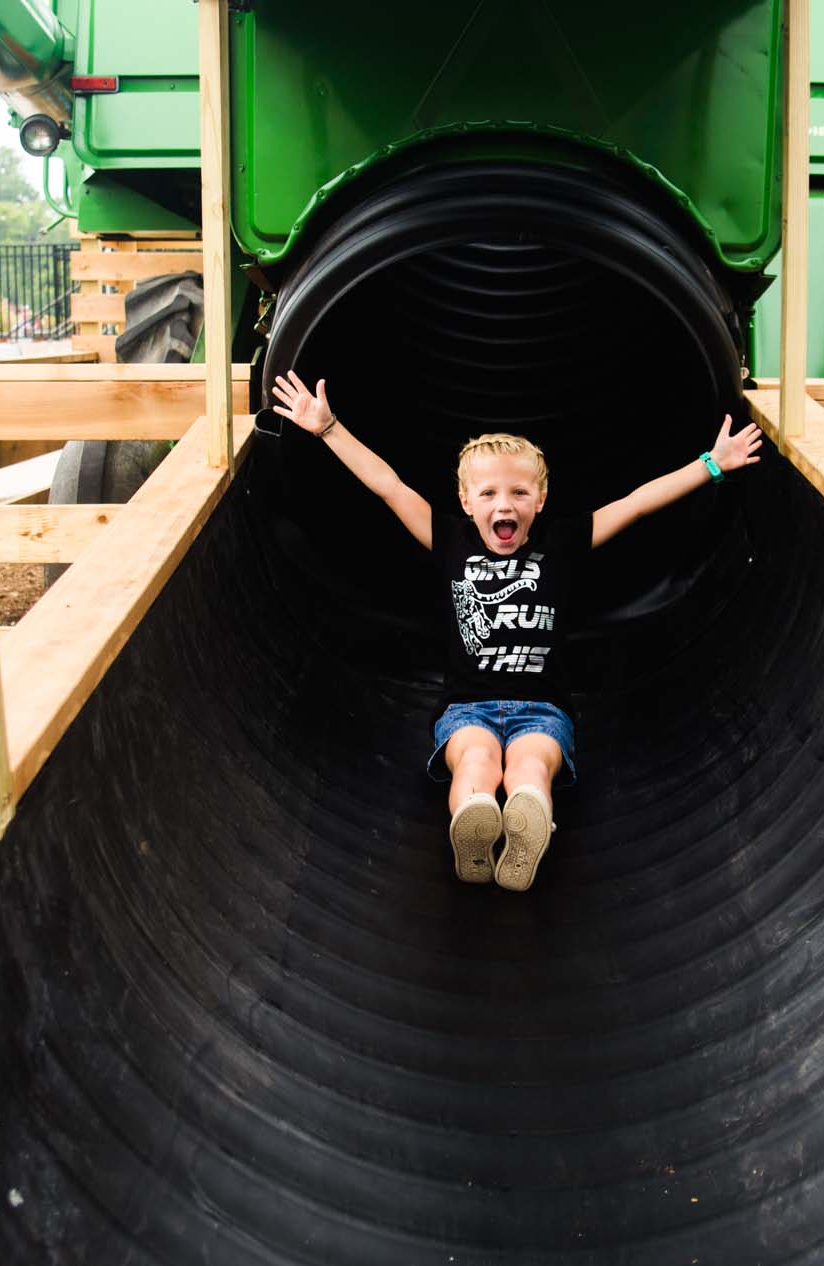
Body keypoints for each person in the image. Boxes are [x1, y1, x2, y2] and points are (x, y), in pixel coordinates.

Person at [270, 371, 761, 891]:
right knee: (476, 763)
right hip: (468, 706)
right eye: (489, 493)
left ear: (540, 500)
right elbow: (388, 484)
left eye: (518, 492)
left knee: (530, 767)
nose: (503, 505)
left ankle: (527, 826)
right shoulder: (448, 537)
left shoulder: (563, 541)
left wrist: (711, 464)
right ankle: (476, 828)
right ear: (466, 502)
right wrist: (328, 429)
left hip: (543, 707)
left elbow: (637, 502)